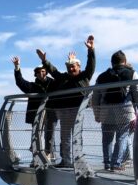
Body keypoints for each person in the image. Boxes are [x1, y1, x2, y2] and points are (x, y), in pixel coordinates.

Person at [39, 35, 96, 168]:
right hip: (63, 110)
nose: (71, 69)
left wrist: (91, 50)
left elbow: (91, 66)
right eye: (69, 66)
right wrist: (44, 61)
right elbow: (53, 72)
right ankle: (66, 161)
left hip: (78, 109)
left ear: (79, 66)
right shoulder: (63, 77)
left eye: (73, 66)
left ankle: (77, 161)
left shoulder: (84, 76)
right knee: (65, 137)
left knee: (76, 137)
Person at [93, 50, 138, 171]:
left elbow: (95, 98)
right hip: (124, 110)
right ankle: (116, 164)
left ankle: (107, 163)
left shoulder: (101, 77)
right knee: (122, 137)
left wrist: (97, 114)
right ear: (125, 61)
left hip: (106, 110)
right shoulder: (131, 73)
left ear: (112, 63)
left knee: (107, 139)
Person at [11, 56, 56, 163]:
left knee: (50, 133)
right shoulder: (32, 86)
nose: (42, 73)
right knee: (36, 135)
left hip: (51, 113)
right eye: (39, 72)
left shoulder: (54, 84)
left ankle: (48, 155)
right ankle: (36, 157)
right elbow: (20, 82)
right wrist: (17, 67)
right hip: (37, 115)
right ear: (35, 74)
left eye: (44, 71)